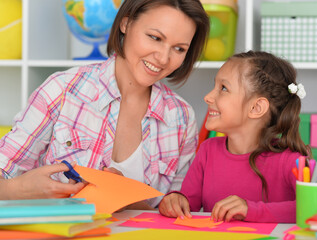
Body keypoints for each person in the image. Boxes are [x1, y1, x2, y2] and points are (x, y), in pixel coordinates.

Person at [0, 0, 209, 209]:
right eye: (155, 37)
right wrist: (16, 190)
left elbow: (173, 210)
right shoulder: (62, 91)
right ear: (125, 24)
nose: (164, 58)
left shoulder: (181, 117)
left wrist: (125, 196)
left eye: (179, 49)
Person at [158, 51, 310, 223]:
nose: (207, 97)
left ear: (256, 108)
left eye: (223, 88)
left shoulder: (291, 161)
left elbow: (314, 208)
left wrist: (251, 210)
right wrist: (176, 200)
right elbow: (187, 202)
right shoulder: (208, 150)